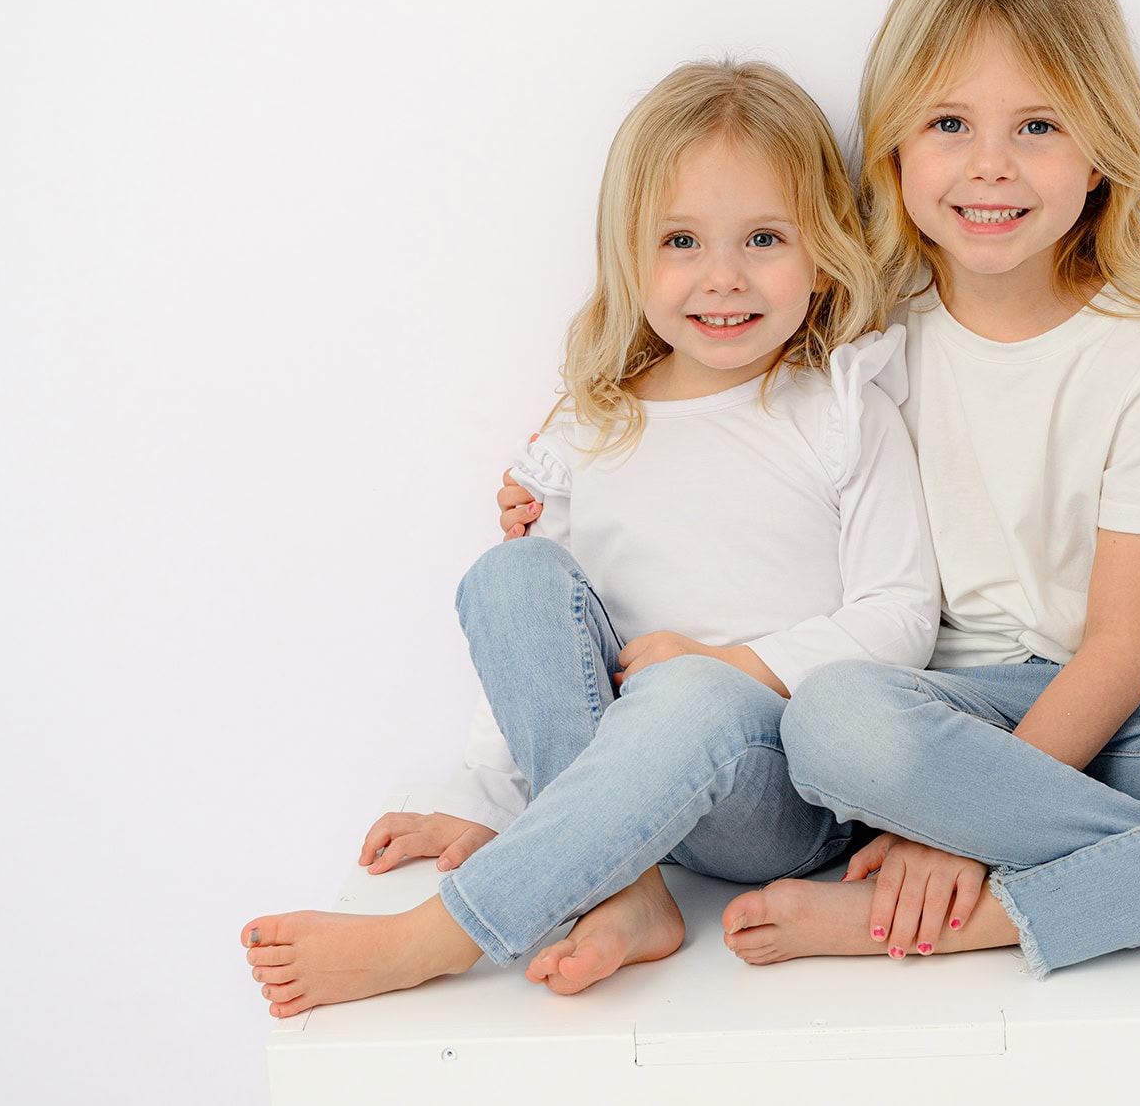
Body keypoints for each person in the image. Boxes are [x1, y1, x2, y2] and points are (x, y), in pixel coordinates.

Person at [503, 0, 1140, 977]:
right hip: (933, 722)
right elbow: (705, 412)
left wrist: (963, 830)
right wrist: (554, 476)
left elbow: (1116, 654)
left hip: (1128, 714)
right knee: (836, 718)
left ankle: (994, 911)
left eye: (1038, 125)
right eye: (948, 123)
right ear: (894, 148)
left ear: (1102, 151)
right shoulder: (867, 326)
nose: (989, 166)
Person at [242, 60, 939, 1015]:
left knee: (688, 693)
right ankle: (626, 888)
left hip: (779, 797)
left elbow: (901, 616)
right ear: (628, 254)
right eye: (682, 240)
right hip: (617, 788)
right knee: (509, 575)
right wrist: (487, 800)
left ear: (822, 252)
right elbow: (537, 656)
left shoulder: (842, 409)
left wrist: (728, 664)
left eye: (764, 238)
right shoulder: (591, 427)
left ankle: (434, 938)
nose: (723, 276)